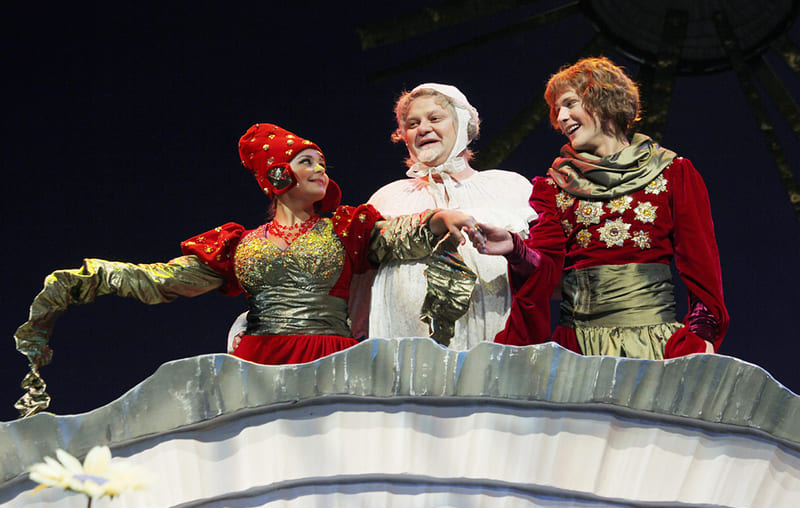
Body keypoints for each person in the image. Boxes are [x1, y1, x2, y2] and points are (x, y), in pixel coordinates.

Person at [14, 123, 480, 414]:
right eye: (307, 162)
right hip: (258, 362)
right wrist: (100, 276)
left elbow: (396, 237)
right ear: (277, 175)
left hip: (332, 356)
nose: (321, 170)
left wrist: (440, 218)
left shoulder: (344, 227)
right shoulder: (240, 245)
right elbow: (167, 279)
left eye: (322, 163)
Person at [474, 57, 728, 359]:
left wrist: (702, 337)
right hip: (579, 352)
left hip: (656, 348)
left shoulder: (673, 173)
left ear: (604, 99)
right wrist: (515, 248)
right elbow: (545, 269)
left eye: (570, 104)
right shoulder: (553, 187)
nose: (561, 117)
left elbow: (702, 270)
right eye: (557, 110)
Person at [352, 83, 545, 350]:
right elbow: (362, 271)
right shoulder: (388, 198)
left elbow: (545, 270)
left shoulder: (510, 189)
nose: (423, 128)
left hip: (494, 340)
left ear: (462, 124)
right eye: (412, 124)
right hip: (407, 345)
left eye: (435, 118)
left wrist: (515, 247)